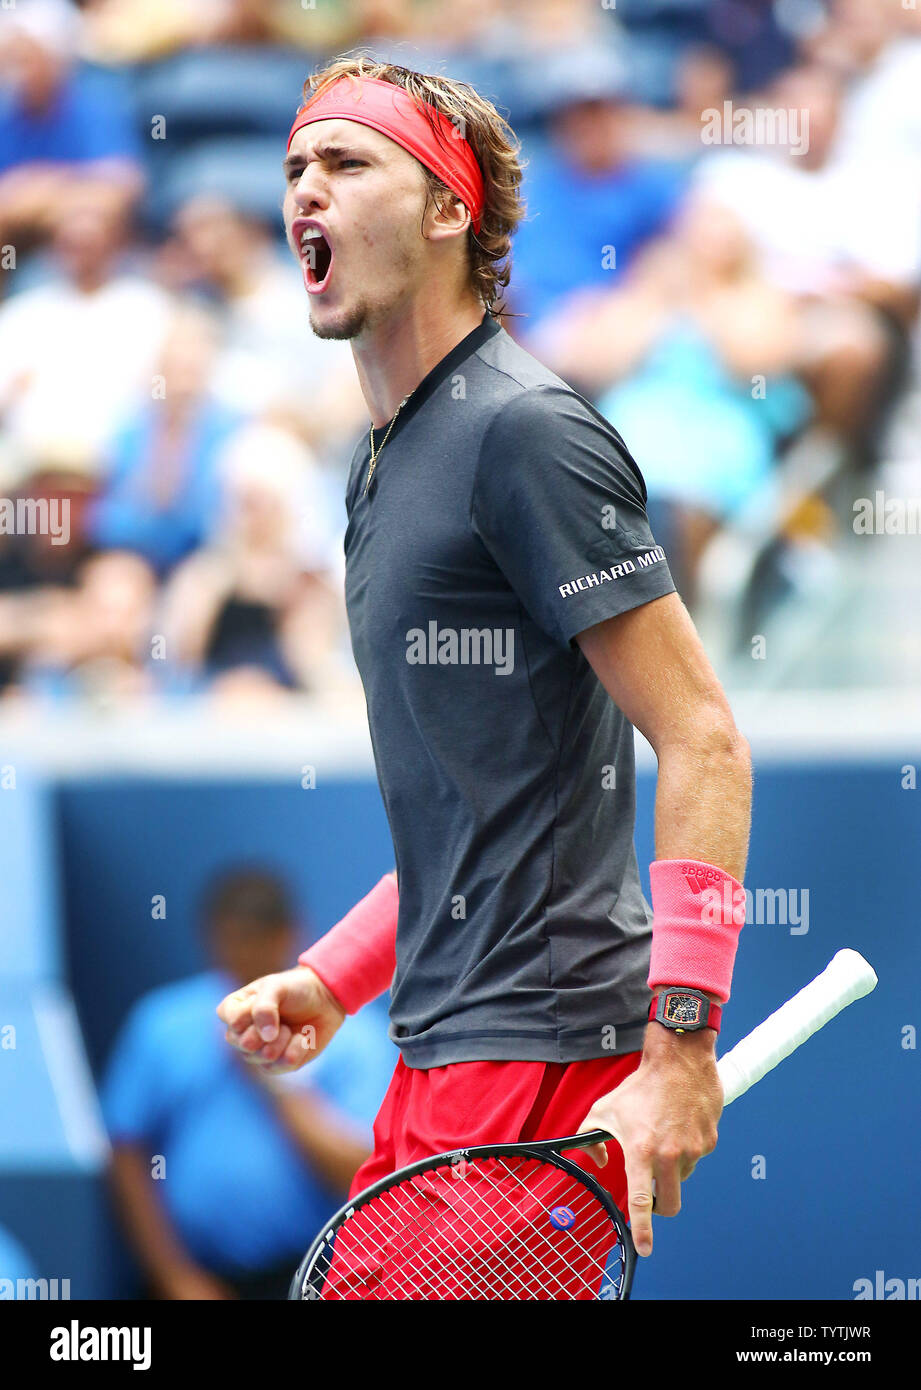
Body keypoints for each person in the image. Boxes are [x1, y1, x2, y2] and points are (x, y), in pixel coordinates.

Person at [219, 57, 752, 1289]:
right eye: (295, 165)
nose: (307, 188)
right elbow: (483, 805)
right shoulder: (381, 463)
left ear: (450, 211)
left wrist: (679, 1049)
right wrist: (337, 975)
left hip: (544, 1050)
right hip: (441, 1047)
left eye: (348, 163)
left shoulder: (526, 432)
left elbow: (705, 738)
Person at [104, 868, 394, 1299]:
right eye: (230, 938)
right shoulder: (162, 1024)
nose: (241, 953)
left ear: (290, 934)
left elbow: (364, 1173)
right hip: (188, 1281)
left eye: (257, 937)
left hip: (314, 1276)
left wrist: (277, 1082)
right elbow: (126, 1154)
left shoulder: (356, 1036)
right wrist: (174, 1275)